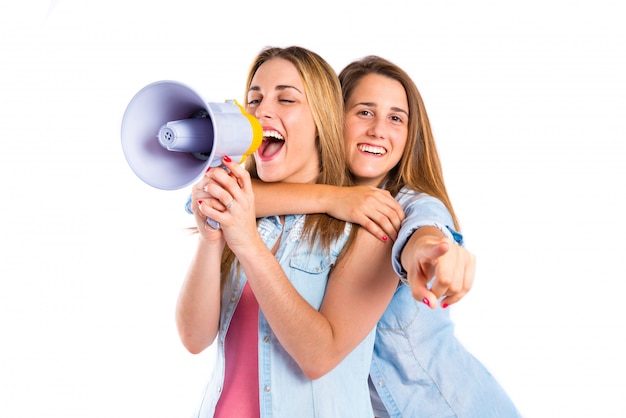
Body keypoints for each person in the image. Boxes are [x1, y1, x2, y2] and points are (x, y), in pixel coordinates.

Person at [176, 46, 449, 417]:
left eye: (286, 98)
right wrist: (212, 242)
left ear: (324, 120)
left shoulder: (368, 224)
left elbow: (319, 356)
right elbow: (194, 340)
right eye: (254, 98)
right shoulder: (247, 212)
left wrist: (248, 244)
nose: (262, 110)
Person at [250, 55, 522, 417]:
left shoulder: (411, 205)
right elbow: (215, 199)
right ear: (332, 117)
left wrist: (431, 252)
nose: (378, 130)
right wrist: (333, 197)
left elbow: (423, 230)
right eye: (364, 112)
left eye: (396, 118)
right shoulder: (313, 206)